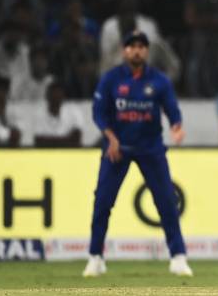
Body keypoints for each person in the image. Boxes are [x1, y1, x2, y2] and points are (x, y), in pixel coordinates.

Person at [83, 30, 192, 277]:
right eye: (132, 46)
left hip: (150, 148)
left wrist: (176, 126)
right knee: (102, 202)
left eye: (142, 46)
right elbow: (99, 113)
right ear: (124, 50)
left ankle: (178, 257)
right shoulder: (111, 79)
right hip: (117, 149)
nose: (137, 50)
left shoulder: (159, 81)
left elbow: (172, 109)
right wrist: (110, 138)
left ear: (147, 51)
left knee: (166, 202)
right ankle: (95, 257)